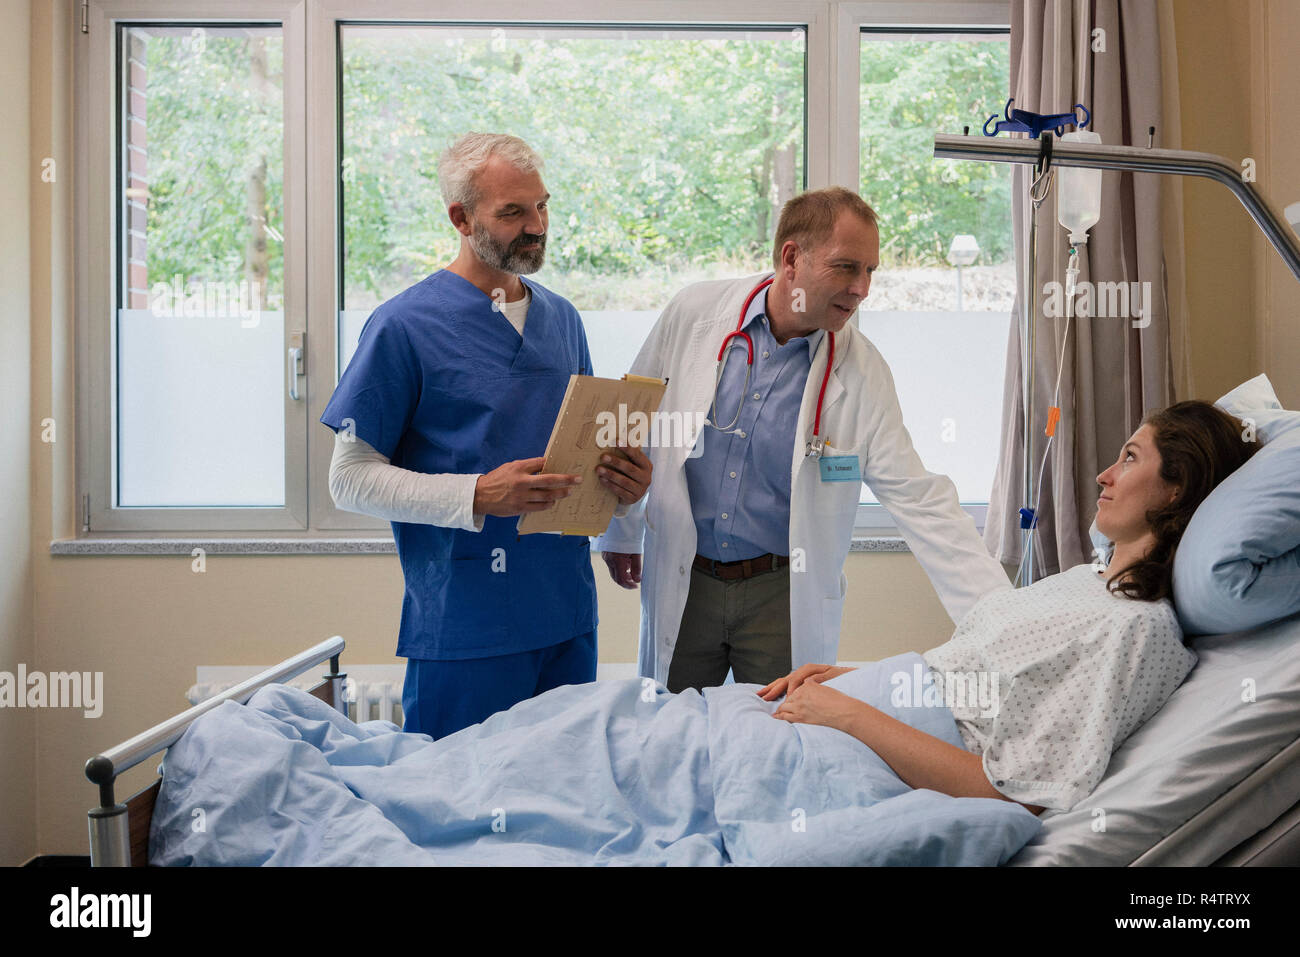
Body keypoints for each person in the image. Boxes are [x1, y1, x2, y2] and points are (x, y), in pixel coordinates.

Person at [595, 187, 1010, 693]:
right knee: (671, 721)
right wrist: (620, 530)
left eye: (870, 271)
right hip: (686, 575)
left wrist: (1004, 622)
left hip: (782, 593)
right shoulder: (694, 314)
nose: (862, 288)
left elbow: (923, 501)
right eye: (846, 267)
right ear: (792, 258)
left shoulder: (862, 372)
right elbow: (630, 421)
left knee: (783, 727)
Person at [759, 400, 1259, 814]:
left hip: (865, 752)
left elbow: (1014, 794)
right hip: (854, 712)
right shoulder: (1085, 582)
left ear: (1176, 487)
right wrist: (859, 680)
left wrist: (849, 713)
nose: (1104, 475)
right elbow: (976, 682)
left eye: (1130, 458)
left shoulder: (1139, 627)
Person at [321, 132, 652, 739]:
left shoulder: (562, 319)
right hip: (465, 626)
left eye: (542, 206)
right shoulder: (403, 325)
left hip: (566, 616)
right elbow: (349, 480)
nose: (537, 226)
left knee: (568, 788)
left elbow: (579, 458)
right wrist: (477, 494)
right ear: (461, 218)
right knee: (458, 793)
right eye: (513, 212)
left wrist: (624, 489)